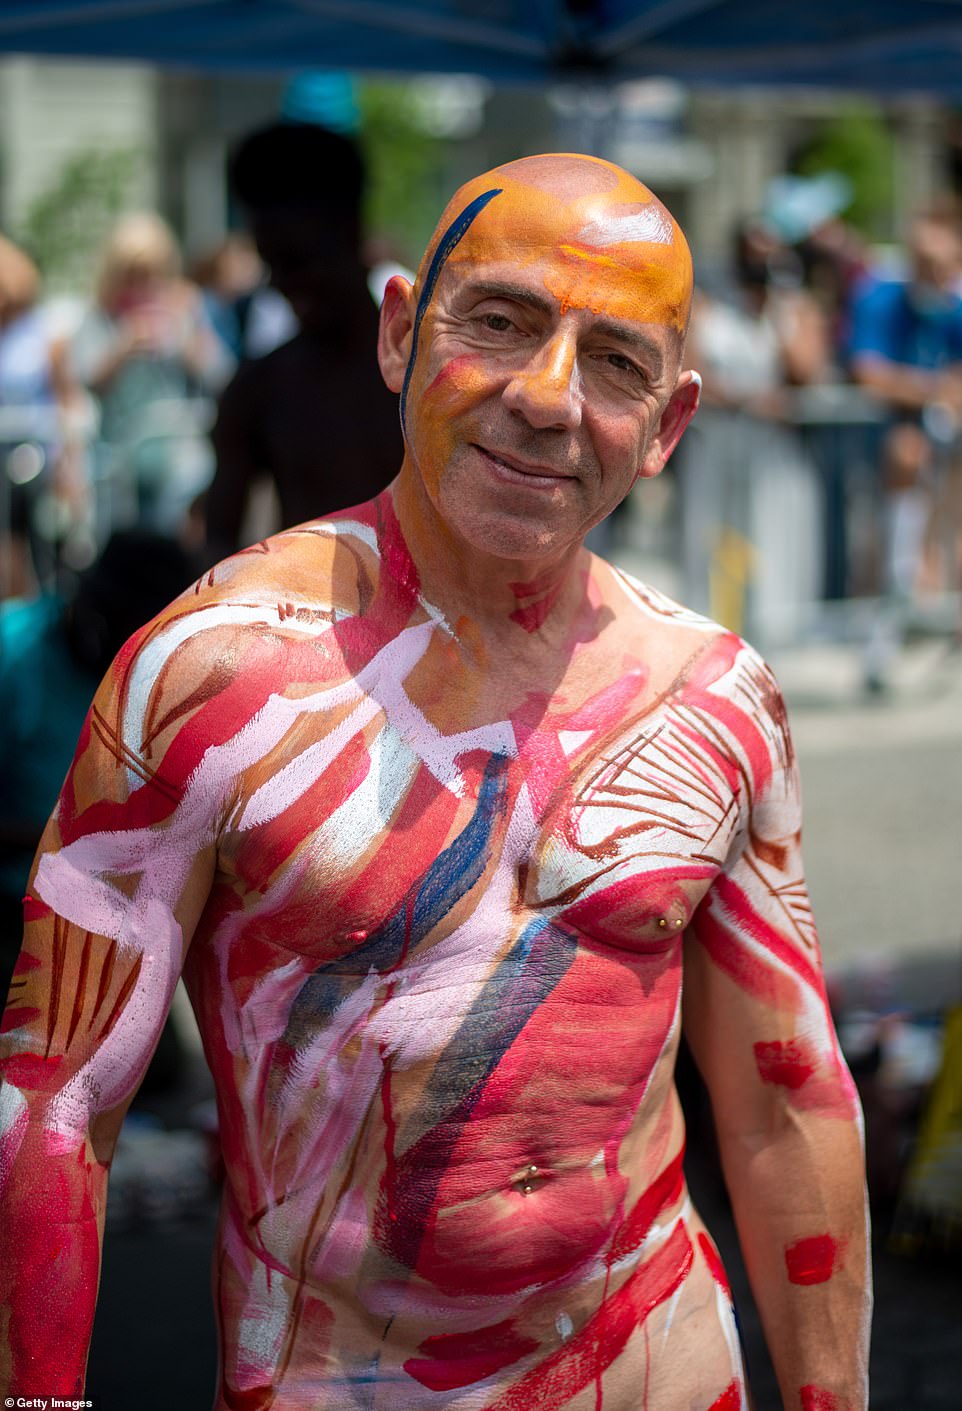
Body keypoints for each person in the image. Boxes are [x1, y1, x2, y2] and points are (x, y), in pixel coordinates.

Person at [0, 154, 870, 1411]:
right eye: (503, 322)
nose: (550, 397)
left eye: (615, 361)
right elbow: (54, 1105)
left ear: (671, 424)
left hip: (661, 1363)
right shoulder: (213, 682)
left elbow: (788, 1102)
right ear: (402, 331)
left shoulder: (716, 699)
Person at [204, 121, 403, 560]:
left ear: (351, 235)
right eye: (270, 262)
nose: (280, 282)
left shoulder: (430, 375)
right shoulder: (258, 389)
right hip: (305, 621)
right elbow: (215, 551)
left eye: (297, 260)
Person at [848, 209, 962, 689]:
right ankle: (881, 650)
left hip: (944, 454)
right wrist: (935, 389)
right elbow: (868, 372)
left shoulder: (953, 302)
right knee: (893, 554)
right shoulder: (882, 295)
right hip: (891, 459)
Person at [70, 212, 230, 529]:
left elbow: (220, 372)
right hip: (120, 458)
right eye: (134, 276)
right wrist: (124, 345)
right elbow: (85, 379)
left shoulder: (185, 311)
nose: (144, 286)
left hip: (179, 450)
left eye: (152, 276)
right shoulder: (100, 318)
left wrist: (185, 339)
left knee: (174, 535)